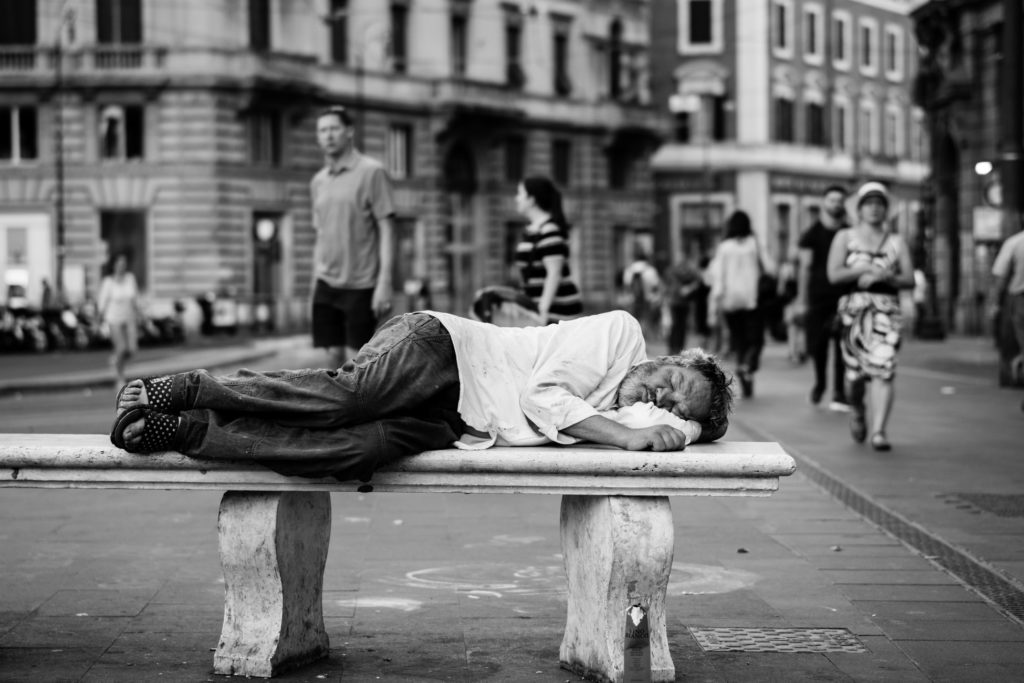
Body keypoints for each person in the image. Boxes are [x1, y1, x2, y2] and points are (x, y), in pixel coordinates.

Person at [109, 311, 734, 482]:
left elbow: (681, 431)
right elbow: (545, 400)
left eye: (675, 406)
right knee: (348, 400)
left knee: (355, 451)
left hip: (458, 422)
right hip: (445, 349)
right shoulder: (621, 335)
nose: (664, 399)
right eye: (676, 383)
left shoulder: (639, 412)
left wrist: (688, 424)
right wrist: (627, 434)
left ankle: (191, 430)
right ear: (674, 358)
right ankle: (188, 387)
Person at [827, 182, 915, 451]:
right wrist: (862, 269)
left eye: (880, 204)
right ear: (860, 209)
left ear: (886, 210)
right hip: (854, 312)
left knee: (884, 370)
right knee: (853, 376)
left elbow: (909, 278)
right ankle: (857, 408)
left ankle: (879, 431)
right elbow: (834, 274)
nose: (875, 209)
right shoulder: (845, 237)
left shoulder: (897, 241)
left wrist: (886, 275)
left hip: (886, 312)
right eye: (869, 204)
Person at [310, 105, 396, 368]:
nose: (328, 135)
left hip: (361, 284)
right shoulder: (318, 181)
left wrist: (385, 282)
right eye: (323, 130)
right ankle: (331, 411)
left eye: (334, 128)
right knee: (327, 366)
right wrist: (314, 285)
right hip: (326, 283)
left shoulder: (372, 172)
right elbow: (321, 235)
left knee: (356, 367)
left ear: (349, 132)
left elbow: (387, 228)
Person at [795, 185, 850, 411]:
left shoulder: (849, 232)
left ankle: (839, 392)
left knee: (842, 346)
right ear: (823, 203)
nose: (836, 204)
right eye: (832, 200)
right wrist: (801, 299)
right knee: (819, 345)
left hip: (844, 296)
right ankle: (820, 384)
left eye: (840, 200)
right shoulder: (811, 234)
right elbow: (805, 268)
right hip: (818, 297)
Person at [710, 210, 770, 398]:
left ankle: (744, 368)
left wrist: (716, 302)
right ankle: (748, 366)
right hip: (752, 298)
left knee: (739, 339)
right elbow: (770, 267)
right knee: (756, 339)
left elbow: (718, 276)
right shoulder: (754, 244)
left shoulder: (724, 247)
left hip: (731, 300)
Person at [513, 176, 583, 324]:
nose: (516, 198)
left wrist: (542, 310)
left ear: (531, 199)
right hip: (538, 310)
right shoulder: (531, 231)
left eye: (520, 194)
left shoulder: (549, 230)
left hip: (557, 312)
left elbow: (554, 274)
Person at [98, 253, 143, 387]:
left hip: (129, 317)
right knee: (121, 348)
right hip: (114, 319)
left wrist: (140, 314)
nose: (122, 266)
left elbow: (135, 299)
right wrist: (99, 319)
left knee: (131, 350)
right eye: (119, 263)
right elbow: (102, 302)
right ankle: (120, 377)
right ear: (114, 265)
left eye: (124, 263)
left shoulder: (130, 278)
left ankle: (116, 359)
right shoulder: (108, 282)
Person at [990, 225, 1024, 399]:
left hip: (1020, 298)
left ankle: (1013, 377)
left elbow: (1000, 274)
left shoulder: (1015, 242)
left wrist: (995, 302)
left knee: (1017, 340)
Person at [662, 256, 703, 354]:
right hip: (683, 302)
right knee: (681, 326)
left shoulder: (671, 271)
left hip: (676, 301)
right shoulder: (689, 272)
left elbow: (667, 285)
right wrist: (690, 288)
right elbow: (698, 280)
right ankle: (678, 348)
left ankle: (674, 348)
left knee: (676, 325)